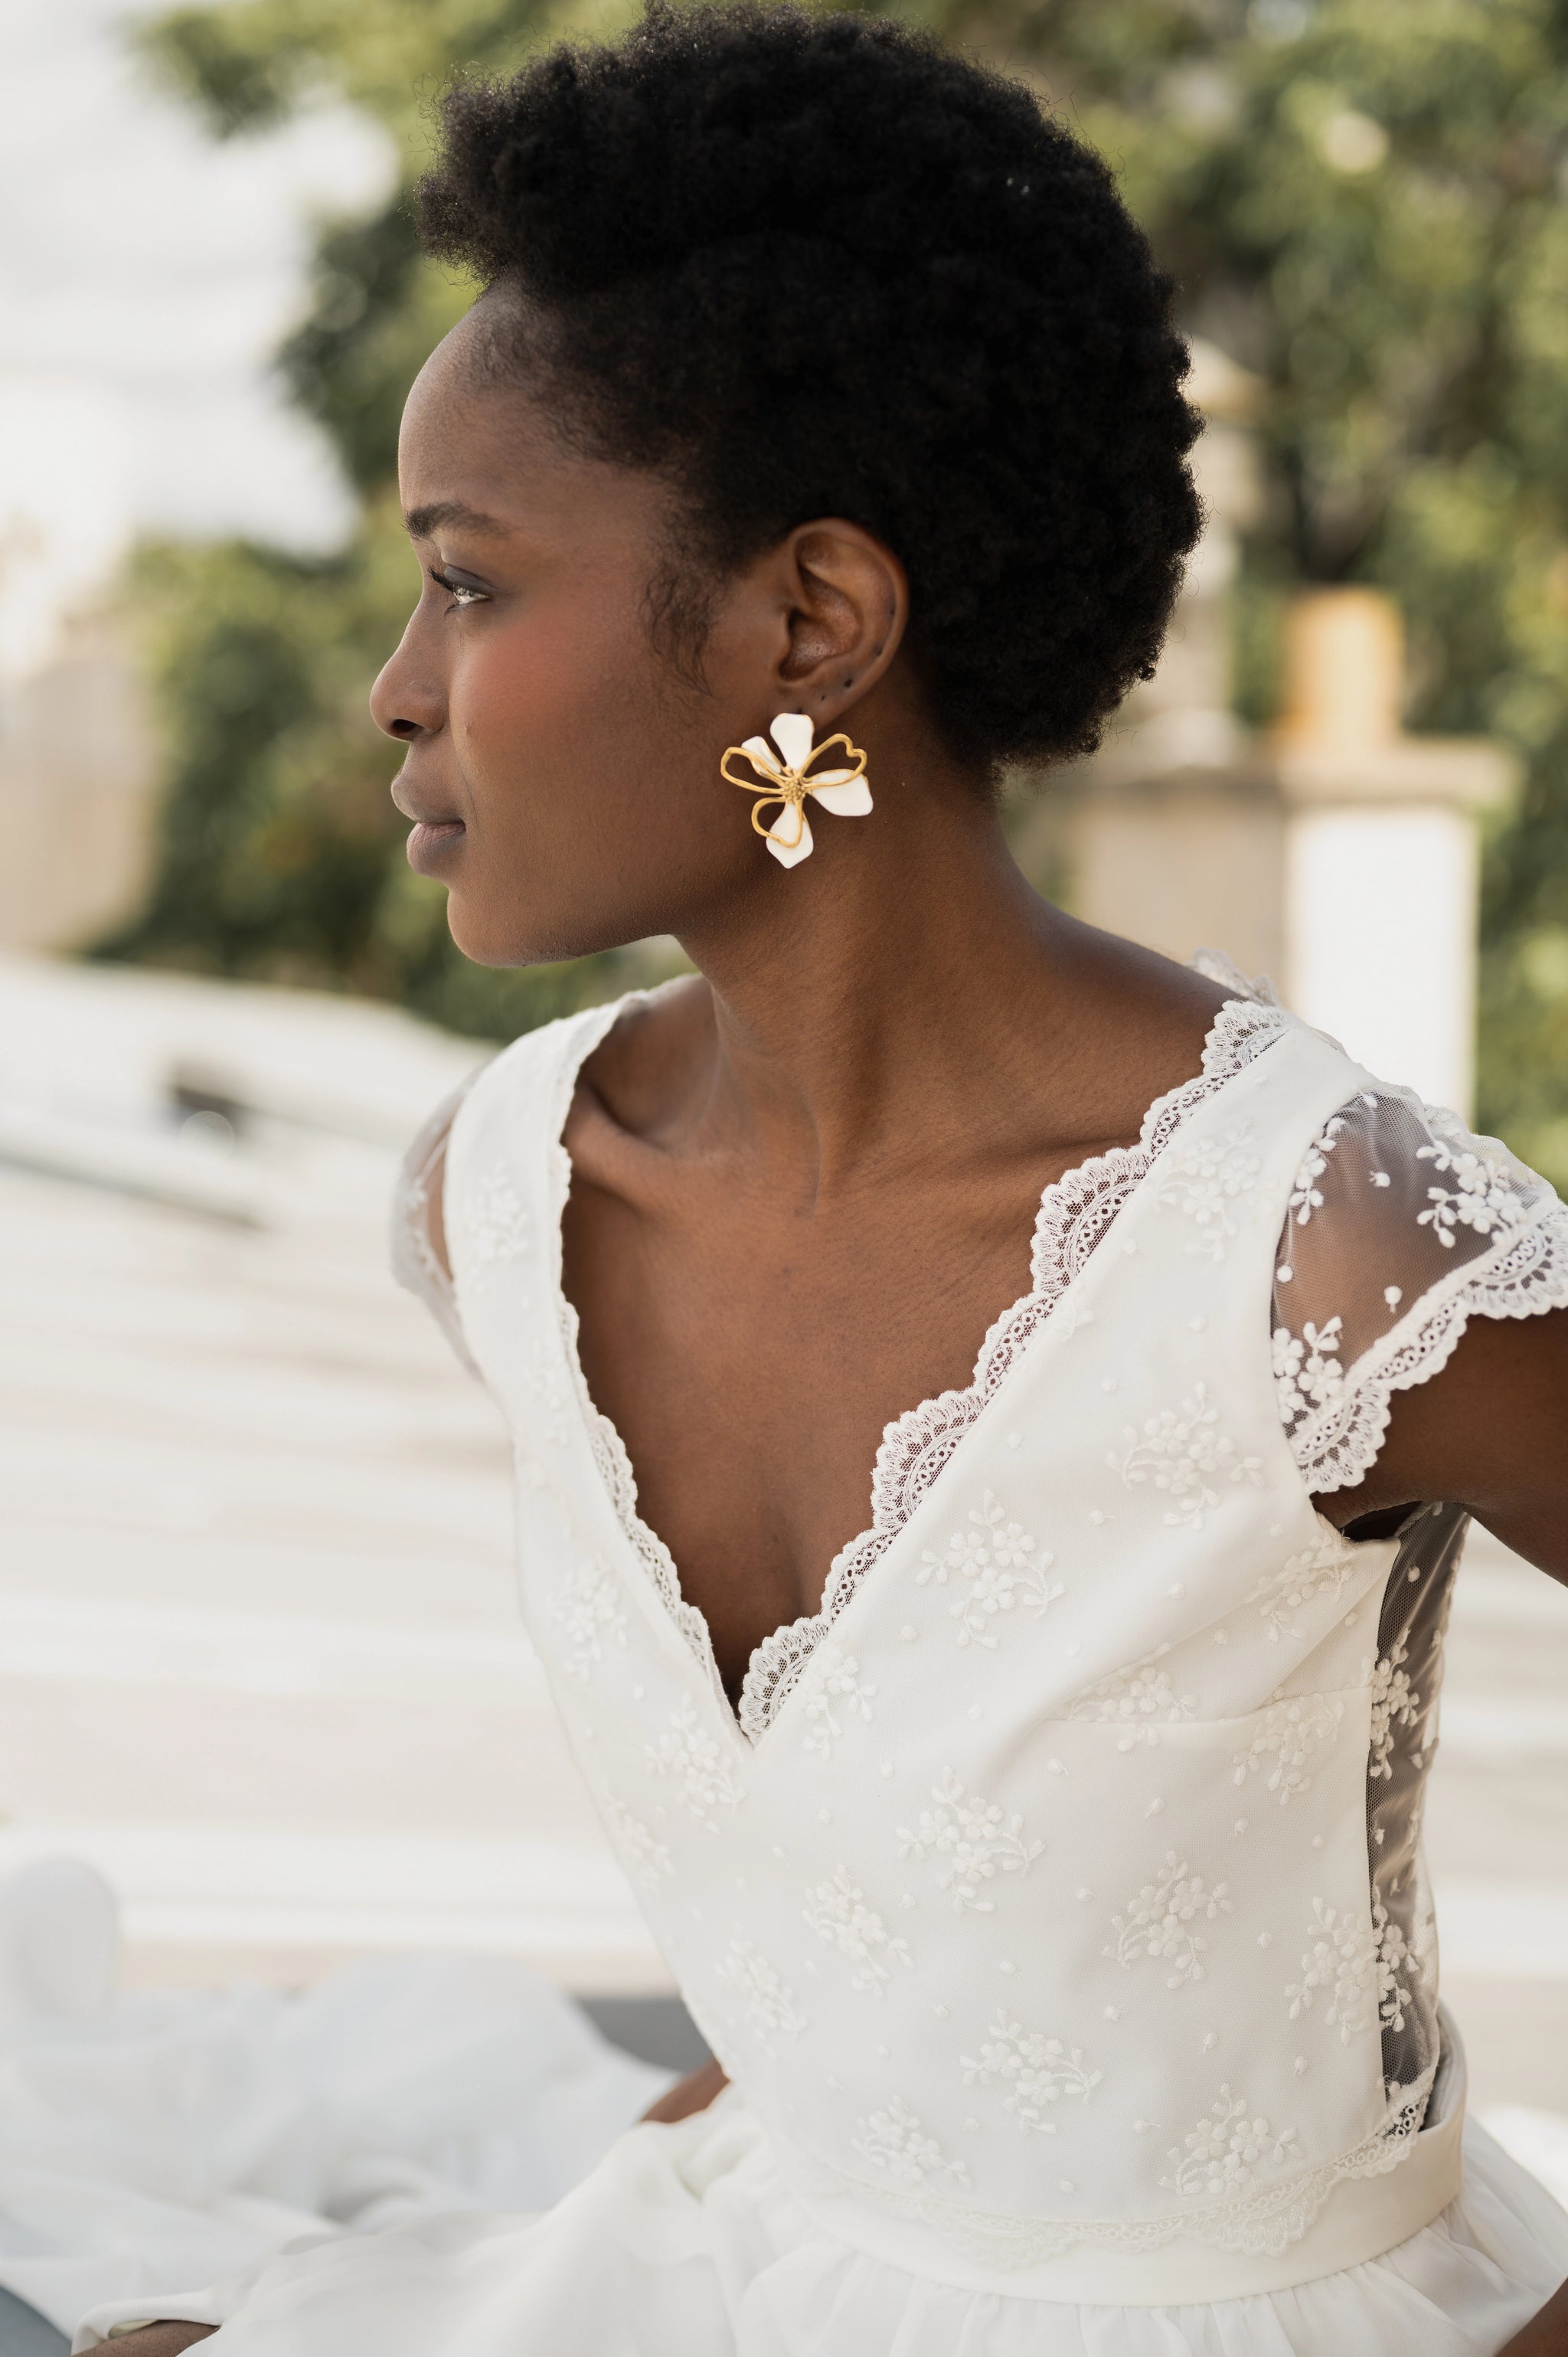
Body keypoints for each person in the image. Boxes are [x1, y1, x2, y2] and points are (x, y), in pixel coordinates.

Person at [78, 7, 1568, 2352]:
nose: (392, 686)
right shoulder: (503, 1194)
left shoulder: (1324, 1254)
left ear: (810, 628)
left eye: (467, 581)